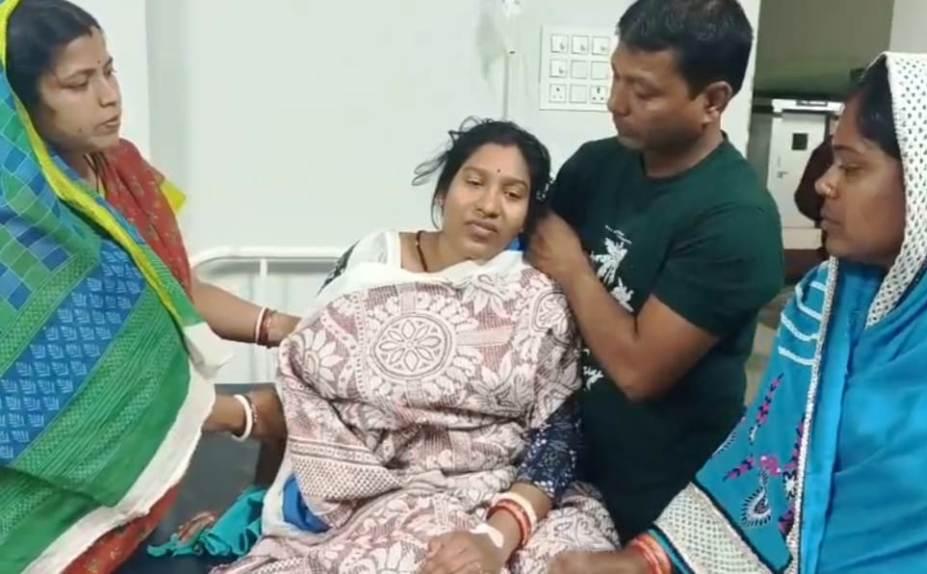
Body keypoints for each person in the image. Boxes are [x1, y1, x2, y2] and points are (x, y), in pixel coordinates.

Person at [551, 52, 927, 573]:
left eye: (852, 167)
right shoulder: (829, 301)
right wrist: (648, 561)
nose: (824, 184)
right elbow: (765, 464)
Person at [211, 119, 617, 574]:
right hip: (382, 492)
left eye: (512, 193)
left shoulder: (537, 294)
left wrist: (496, 536)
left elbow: (557, 435)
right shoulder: (371, 263)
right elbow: (306, 394)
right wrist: (253, 503)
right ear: (443, 192)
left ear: (528, 213)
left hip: (509, 494)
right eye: (474, 182)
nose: (488, 206)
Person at [0, 1, 299, 572]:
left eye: (109, 71)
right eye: (78, 84)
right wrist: (242, 414)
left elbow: (173, 291)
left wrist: (284, 327)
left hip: (136, 477)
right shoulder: (17, 221)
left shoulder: (121, 168)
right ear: (20, 101)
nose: (109, 97)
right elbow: (66, 392)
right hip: (45, 499)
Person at [527, 0, 784, 541]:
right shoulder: (594, 165)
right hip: (560, 465)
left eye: (643, 92)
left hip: (662, 495)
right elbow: (528, 277)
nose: (615, 102)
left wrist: (575, 268)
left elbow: (639, 371)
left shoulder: (736, 218)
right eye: (616, 77)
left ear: (712, 100)